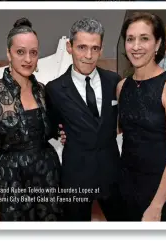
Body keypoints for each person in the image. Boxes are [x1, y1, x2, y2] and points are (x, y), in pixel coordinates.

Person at [0, 18, 62, 221]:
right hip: (10, 180)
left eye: (33, 52)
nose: (28, 59)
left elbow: (47, 130)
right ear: (9, 53)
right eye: (20, 52)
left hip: (47, 176)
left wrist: (62, 132)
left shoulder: (41, 89)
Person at [46, 17, 124, 221]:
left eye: (95, 48)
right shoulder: (54, 89)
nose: (88, 56)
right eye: (81, 47)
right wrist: (60, 133)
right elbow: (51, 125)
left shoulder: (113, 81)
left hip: (111, 172)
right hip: (76, 176)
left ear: (101, 48)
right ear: (69, 46)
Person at [117, 12, 166, 221]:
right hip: (125, 186)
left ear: (158, 43)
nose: (136, 46)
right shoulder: (122, 87)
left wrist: (157, 205)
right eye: (130, 39)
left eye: (144, 38)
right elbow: (122, 130)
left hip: (159, 190)